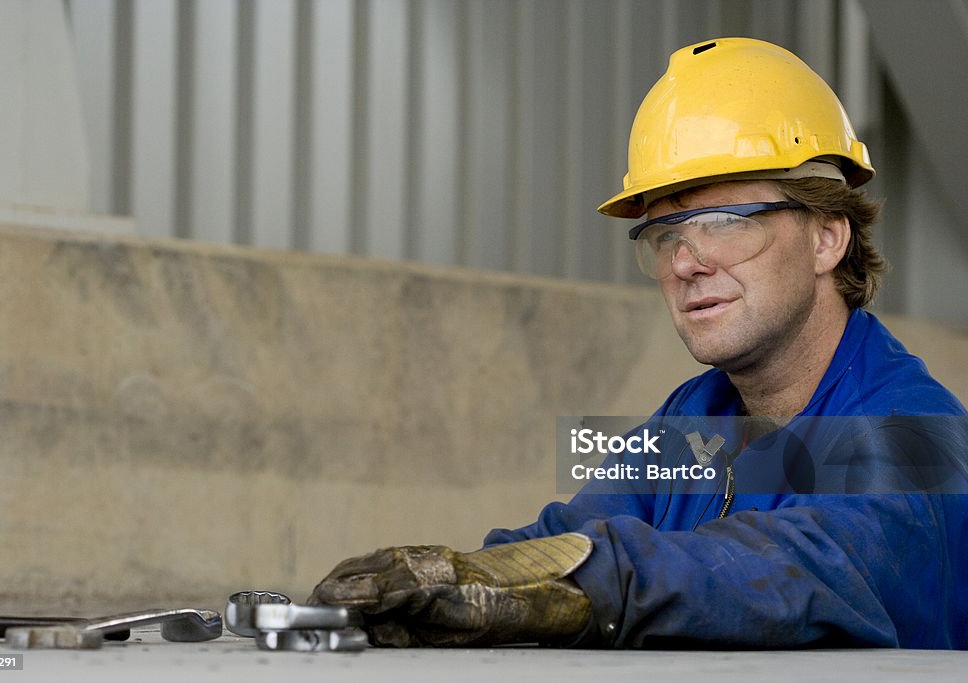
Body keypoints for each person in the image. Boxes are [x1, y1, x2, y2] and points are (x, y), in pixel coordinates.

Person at [309, 37, 968, 649]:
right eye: (665, 235)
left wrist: (587, 588)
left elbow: (796, 569)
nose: (686, 262)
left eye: (721, 220)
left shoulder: (916, 436)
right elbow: (572, 542)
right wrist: (448, 575)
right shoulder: (695, 420)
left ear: (827, 238)